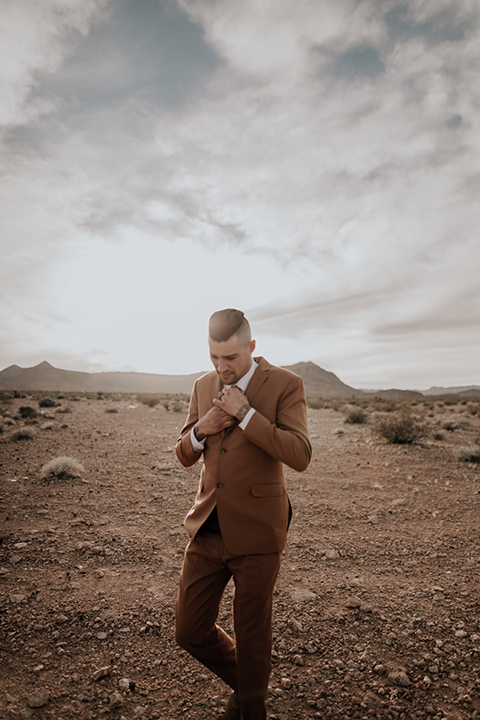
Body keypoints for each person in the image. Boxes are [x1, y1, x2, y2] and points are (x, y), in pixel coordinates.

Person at [175, 308, 312, 720]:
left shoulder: (287, 385)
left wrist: (245, 415)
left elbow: (300, 455)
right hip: (207, 528)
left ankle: (250, 704)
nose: (222, 366)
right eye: (215, 357)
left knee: (251, 634)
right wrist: (203, 429)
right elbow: (183, 451)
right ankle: (251, 686)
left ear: (251, 347)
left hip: (258, 531)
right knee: (189, 631)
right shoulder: (203, 385)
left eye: (231, 357)